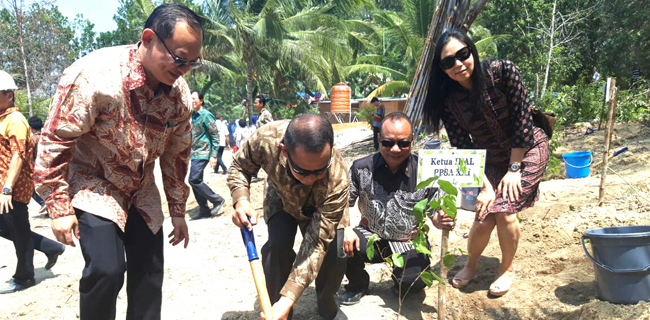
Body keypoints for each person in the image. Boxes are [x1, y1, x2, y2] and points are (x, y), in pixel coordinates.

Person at [33, 4, 200, 319]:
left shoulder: (178, 93)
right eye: (180, 59)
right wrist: (58, 207)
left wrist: (178, 210)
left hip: (142, 190)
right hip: (94, 185)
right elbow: (56, 139)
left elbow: (177, 153)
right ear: (149, 38)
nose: (184, 69)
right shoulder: (94, 74)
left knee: (150, 276)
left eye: (193, 62)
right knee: (107, 271)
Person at [423, 29, 549, 297]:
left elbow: (522, 123)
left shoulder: (502, 72)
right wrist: (483, 185)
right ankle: (471, 264)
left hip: (527, 149)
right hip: (488, 159)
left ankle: (506, 267)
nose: (458, 64)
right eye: (448, 62)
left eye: (462, 54)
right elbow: (463, 146)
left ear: (471, 51)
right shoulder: (448, 101)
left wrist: (514, 170)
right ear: (442, 70)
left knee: (504, 210)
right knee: (483, 216)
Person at [228, 114, 348, 320]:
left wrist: (289, 297)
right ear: (284, 151)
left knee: (334, 252)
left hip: (319, 206)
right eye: (302, 171)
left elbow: (316, 245)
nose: (310, 179)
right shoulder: (265, 140)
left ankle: (326, 303)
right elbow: (240, 167)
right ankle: (279, 311)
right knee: (277, 247)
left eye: (320, 171)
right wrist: (241, 200)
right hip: (281, 199)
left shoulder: (337, 180)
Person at [339, 112, 455, 305]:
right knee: (337, 240)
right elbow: (342, 202)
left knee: (414, 283)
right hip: (370, 237)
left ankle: (401, 279)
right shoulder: (361, 168)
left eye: (403, 143)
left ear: (412, 140)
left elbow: (435, 213)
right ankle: (357, 284)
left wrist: (441, 219)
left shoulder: (427, 170)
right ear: (378, 139)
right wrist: (347, 227)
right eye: (387, 143)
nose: (395, 149)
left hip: (409, 240)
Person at [0, 71, 66, 295]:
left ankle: (24, 277)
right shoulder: (2, 119)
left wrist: (7, 189)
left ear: (9, 95)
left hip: (13, 189)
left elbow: (18, 155)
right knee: (10, 228)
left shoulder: (15, 120)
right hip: (3, 189)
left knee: (19, 233)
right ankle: (50, 247)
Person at [189, 91, 225, 220]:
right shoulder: (192, 115)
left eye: (194, 98)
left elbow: (215, 136)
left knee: (193, 180)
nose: (192, 101)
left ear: (201, 100)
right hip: (194, 153)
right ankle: (204, 209)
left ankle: (217, 199)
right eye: (190, 98)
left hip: (204, 152)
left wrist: (214, 156)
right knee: (196, 181)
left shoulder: (206, 115)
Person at [27, 116, 47, 213]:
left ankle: (43, 202)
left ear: (31, 127)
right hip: (48, 166)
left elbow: (29, 155)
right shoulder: (47, 137)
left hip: (36, 167)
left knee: (31, 188)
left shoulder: (33, 139)